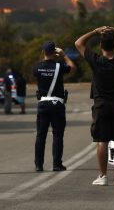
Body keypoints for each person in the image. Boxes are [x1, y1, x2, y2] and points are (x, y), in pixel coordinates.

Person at [75, 26, 114, 186]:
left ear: (101, 46)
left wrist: (95, 32)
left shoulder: (95, 60)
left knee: (102, 140)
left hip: (101, 105)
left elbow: (79, 42)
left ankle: (102, 176)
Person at [33, 41, 76, 172]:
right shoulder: (59, 66)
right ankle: (57, 164)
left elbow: (37, 74)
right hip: (57, 104)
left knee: (41, 136)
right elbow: (73, 68)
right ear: (55, 52)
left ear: (43, 52)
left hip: (43, 103)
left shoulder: (37, 67)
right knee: (57, 135)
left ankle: (38, 165)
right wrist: (64, 55)